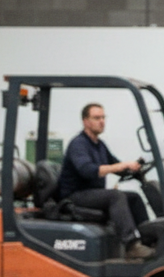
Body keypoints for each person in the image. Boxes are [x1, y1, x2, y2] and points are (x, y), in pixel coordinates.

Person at [57, 103, 154, 260]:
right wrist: (122, 165)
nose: (101, 121)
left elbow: (116, 166)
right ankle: (131, 245)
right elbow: (88, 171)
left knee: (133, 198)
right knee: (115, 196)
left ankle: (149, 241)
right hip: (75, 196)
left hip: (92, 194)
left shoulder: (99, 145)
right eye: (96, 118)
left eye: (103, 117)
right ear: (85, 121)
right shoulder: (78, 144)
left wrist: (133, 168)